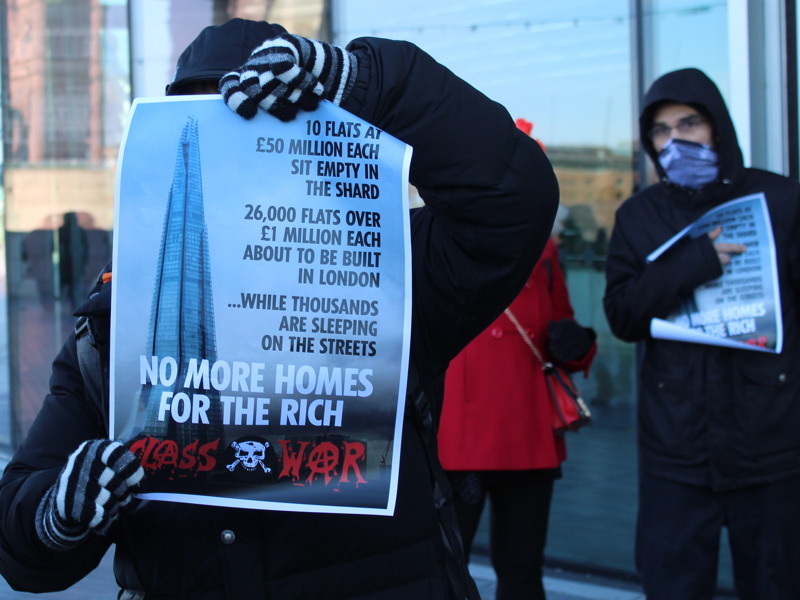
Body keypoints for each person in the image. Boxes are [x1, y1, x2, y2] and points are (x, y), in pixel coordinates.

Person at [0, 18, 559, 600]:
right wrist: (56, 517)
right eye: (211, 129)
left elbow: (514, 199)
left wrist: (363, 83)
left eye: (262, 126)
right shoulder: (116, 326)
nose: (236, 153)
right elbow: (22, 541)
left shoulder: (392, 274)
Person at [604, 67, 800, 599]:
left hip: (771, 442)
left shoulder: (780, 201)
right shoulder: (638, 216)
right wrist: (694, 262)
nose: (676, 141)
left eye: (688, 124)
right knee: (673, 586)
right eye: (661, 132)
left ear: (717, 127)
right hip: (677, 449)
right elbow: (622, 316)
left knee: (778, 584)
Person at [438, 230, 596, 600]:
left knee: (523, 571)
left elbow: (562, 325)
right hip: (457, 439)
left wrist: (576, 343)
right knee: (444, 569)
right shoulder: (436, 233)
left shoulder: (542, 244)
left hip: (526, 432)